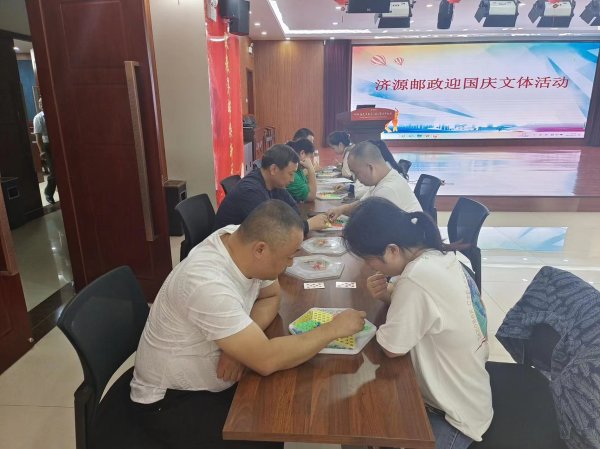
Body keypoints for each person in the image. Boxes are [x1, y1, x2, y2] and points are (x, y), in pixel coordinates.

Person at [131, 200, 367, 449]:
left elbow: (271, 297)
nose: (290, 264)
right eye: (288, 257)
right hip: (172, 400)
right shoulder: (207, 283)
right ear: (260, 250)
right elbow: (266, 360)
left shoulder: (241, 241)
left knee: (282, 401)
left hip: (215, 375)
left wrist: (238, 348)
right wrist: (333, 329)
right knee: (269, 426)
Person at [342, 197, 493, 449]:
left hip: (453, 419)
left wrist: (346, 326)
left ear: (392, 250)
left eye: (369, 261)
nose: (369, 267)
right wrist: (389, 295)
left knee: (359, 420)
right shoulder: (437, 256)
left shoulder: (415, 278)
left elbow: (392, 347)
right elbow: (426, 309)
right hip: (471, 397)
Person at [214, 144, 328, 233]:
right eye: (290, 174)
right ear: (274, 169)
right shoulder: (250, 191)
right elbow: (269, 231)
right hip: (227, 252)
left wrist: (300, 224)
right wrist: (308, 225)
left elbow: (293, 210)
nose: (293, 179)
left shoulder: (274, 183)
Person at [327, 141, 422, 221]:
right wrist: (342, 209)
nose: (357, 178)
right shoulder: (384, 178)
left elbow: (369, 223)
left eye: (356, 173)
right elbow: (362, 204)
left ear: (370, 168)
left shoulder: (387, 189)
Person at [33, 97, 56, 204]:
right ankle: (48, 193)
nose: (41, 104)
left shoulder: (54, 114)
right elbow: (38, 137)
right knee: (54, 172)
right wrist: (41, 151)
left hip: (58, 144)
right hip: (47, 145)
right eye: (39, 103)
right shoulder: (38, 118)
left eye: (43, 102)